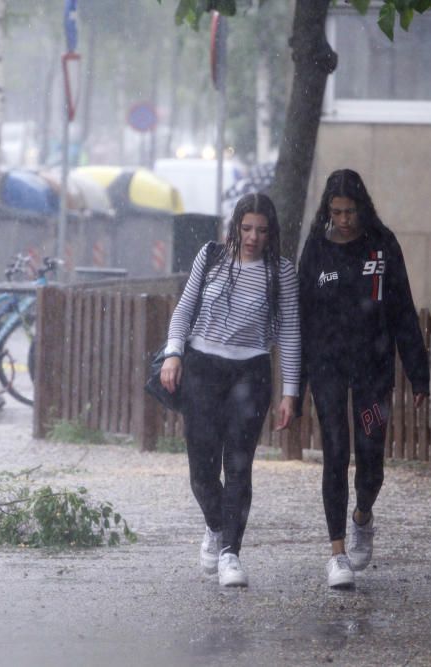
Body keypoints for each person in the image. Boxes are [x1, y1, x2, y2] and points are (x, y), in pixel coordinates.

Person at [297, 169, 429, 590]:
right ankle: (337, 553)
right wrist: (294, 387)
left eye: (350, 211)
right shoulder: (316, 249)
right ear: (327, 211)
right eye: (336, 212)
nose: (343, 220)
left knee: (371, 460)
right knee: (335, 452)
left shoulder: (382, 245)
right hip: (327, 367)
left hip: (373, 367)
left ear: (362, 208)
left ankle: (362, 517)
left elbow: (403, 308)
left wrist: (418, 371)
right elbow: (301, 319)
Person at [160, 192, 301, 588]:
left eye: (261, 230)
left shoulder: (281, 272)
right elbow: (183, 310)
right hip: (203, 367)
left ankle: (231, 554)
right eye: (246, 228)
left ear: (271, 233)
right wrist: (174, 354)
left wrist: (290, 392)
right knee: (202, 472)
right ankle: (215, 525)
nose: (253, 237)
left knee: (238, 466)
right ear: (235, 226)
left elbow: (289, 332)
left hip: (250, 373)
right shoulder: (210, 257)